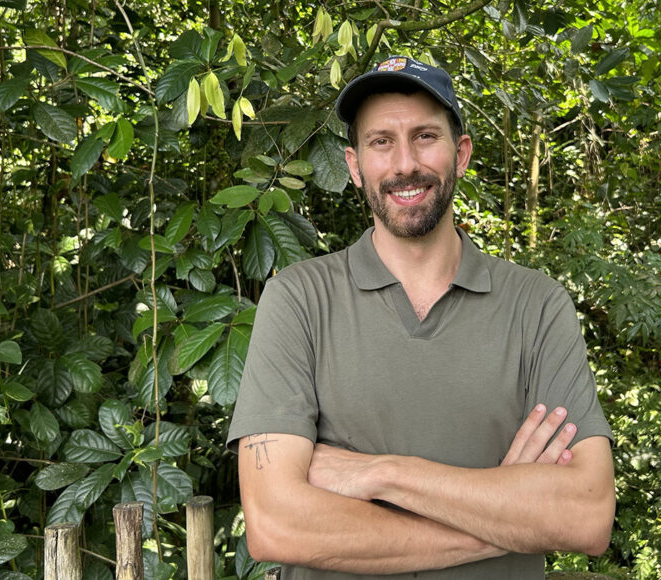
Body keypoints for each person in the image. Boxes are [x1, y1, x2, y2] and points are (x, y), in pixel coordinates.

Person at [226, 55, 615, 580]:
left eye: (425, 136)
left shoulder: (536, 305)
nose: (404, 163)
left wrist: (382, 474)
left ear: (462, 153)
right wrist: (508, 516)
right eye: (381, 141)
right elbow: (276, 525)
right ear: (354, 164)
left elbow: (586, 515)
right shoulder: (299, 300)